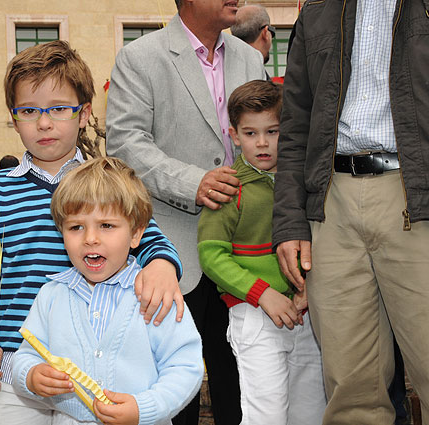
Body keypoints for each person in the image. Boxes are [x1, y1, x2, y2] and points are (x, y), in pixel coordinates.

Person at [0, 40, 184, 425]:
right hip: (15, 365)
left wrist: (162, 264)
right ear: (14, 119)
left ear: (84, 114)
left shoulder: (109, 181)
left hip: (92, 365)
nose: (43, 123)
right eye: (28, 111)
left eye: (58, 109)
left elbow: (148, 235)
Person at [105, 0, 265, 423]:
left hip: (245, 251)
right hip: (173, 253)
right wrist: (192, 183)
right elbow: (125, 143)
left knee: (245, 384)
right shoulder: (139, 57)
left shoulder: (251, 58)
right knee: (176, 392)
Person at [272, 1, 429, 423]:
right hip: (332, 203)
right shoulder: (318, 9)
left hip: (416, 198)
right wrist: (289, 221)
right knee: (350, 392)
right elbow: (295, 126)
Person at [11, 157, 203, 424]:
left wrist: (143, 407)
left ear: (136, 233)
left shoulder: (154, 294)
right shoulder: (51, 295)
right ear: (61, 232)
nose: (90, 238)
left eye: (106, 225)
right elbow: (27, 354)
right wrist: (30, 376)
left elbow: (185, 367)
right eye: (76, 227)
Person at [197, 80, 325, 424]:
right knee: (266, 414)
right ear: (234, 135)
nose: (263, 143)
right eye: (251, 133)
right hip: (255, 313)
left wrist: (307, 290)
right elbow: (211, 257)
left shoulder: (303, 184)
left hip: (307, 313)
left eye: (273, 131)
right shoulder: (227, 186)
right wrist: (263, 294)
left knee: (312, 412)